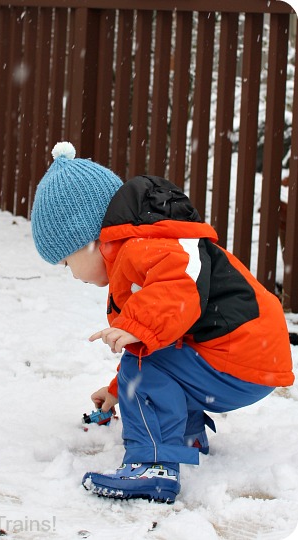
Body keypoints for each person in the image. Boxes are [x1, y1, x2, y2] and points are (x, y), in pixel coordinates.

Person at [31, 142, 294, 504]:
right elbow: (169, 335)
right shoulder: (142, 248)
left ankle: (154, 464)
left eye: (65, 261)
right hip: (247, 355)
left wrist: (137, 331)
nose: (70, 273)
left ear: (89, 240)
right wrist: (117, 388)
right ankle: (185, 436)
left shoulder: (144, 247)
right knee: (149, 354)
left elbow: (181, 282)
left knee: (142, 357)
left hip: (241, 352)